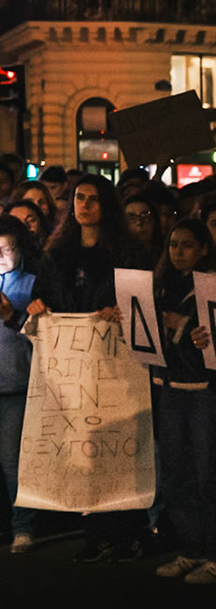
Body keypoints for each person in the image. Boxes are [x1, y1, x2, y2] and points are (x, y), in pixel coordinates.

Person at [25, 175, 149, 563]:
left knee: (119, 446)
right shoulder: (56, 253)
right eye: (79, 198)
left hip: (114, 365)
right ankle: (95, 533)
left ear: (106, 206)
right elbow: (41, 295)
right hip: (72, 365)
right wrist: (38, 306)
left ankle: (129, 532)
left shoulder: (127, 252)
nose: (85, 205)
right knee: (83, 450)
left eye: (93, 199)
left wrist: (124, 312)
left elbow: (142, 303)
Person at [148, 220, 216, 584]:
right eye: (173, 244)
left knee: (209, 474)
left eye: (187, 245)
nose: (178, 252)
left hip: (205, 390)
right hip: (170, 387)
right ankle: (193, 548)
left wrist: (184, 326)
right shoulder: (160, 286)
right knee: (177, 474)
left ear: (204, 249)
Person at [0, 219, 40, 553]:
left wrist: (10, 313)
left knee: (13, 461)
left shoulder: (30, 285)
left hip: (16, 386)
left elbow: (39, 334)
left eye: (6, 249)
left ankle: (22, 527)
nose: (0, 255)